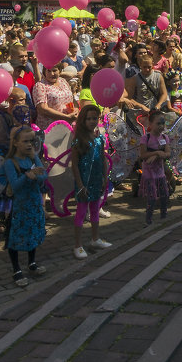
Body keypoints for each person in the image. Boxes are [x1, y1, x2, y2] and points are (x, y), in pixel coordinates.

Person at [1, 125, 48, 284]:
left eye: (32, 141)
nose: (29, 144)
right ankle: (16, 270)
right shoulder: (10, 162)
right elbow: (14, 186)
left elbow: (44, 176)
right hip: (20, 207)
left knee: (33, 233)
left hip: (34, 203)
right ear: (15, 143)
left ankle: (32, 263)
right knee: (16, 237)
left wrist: (36, 175)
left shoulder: (32, 158)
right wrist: (28, 176)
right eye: (25, 141)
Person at [70, 105, 111, 255]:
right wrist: (80, 184)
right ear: (83, 120)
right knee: (81, 212)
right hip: (84, 182)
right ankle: (77, 245)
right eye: (89, 119)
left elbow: (103, 159)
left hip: (97, 180)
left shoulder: (100, 138)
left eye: (95, 118)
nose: (92, 121)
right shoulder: (78, 141)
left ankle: (95, 238)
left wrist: (105, 177)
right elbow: (74, 165)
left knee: (95, 209)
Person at [139, 110, 170, 224]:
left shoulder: (165, 137)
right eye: (158, 124)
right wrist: (157, 153)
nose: (161, 126)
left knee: (165, 195)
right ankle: (149, 220)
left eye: (163, 123)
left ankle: (163, 217)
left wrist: (162, 154)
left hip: (160, 173)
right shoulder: (146, 138)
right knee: (151, 198)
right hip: (149, 174)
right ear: (150, 124)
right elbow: (143, 155)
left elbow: (168, 153)